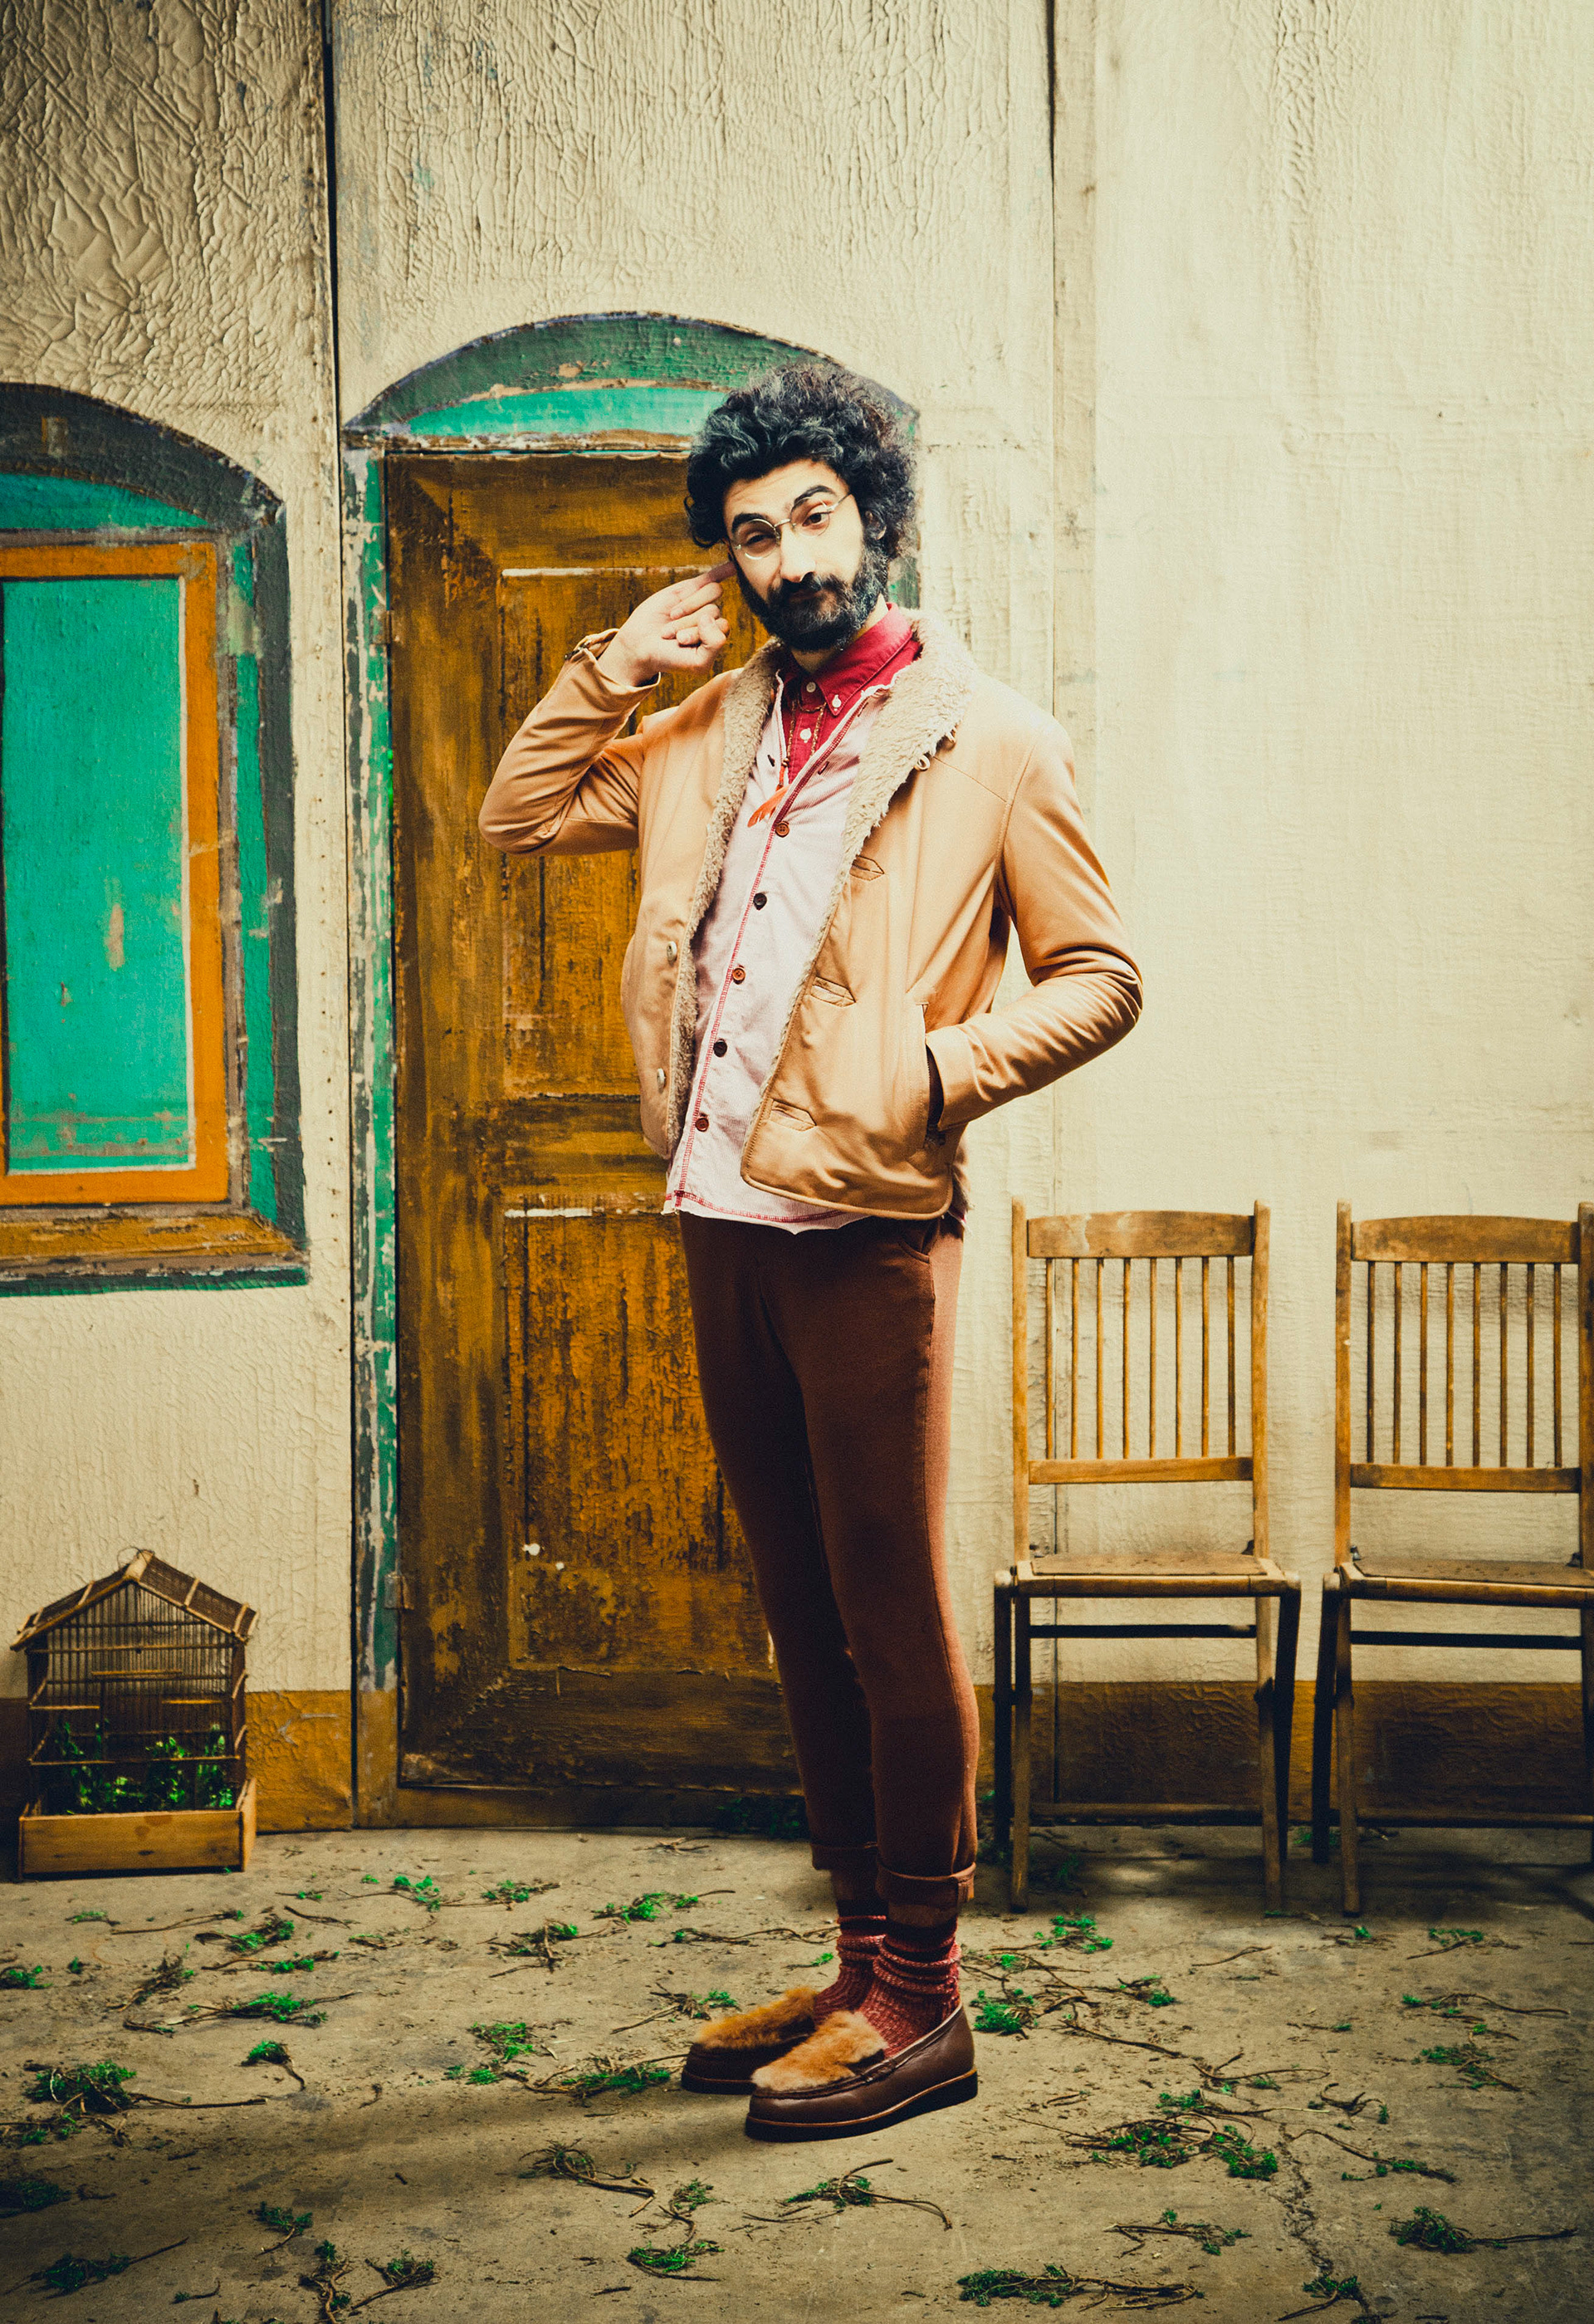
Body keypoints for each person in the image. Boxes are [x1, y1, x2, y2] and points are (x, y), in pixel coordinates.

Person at [479, 364, 1142, 2140]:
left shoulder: (995, 741)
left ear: (874, 517)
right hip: (722, 1218)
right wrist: (616, 667)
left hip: (867, 1230)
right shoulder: (708, 725)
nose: (790, 558)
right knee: (800, 1614)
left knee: (889, 1612)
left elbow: (1102, 978)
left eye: (816, 517)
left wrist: (934, 1072)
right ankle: (857, 1963)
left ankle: (925, 1991)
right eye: (755, 534)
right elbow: (517, 816)